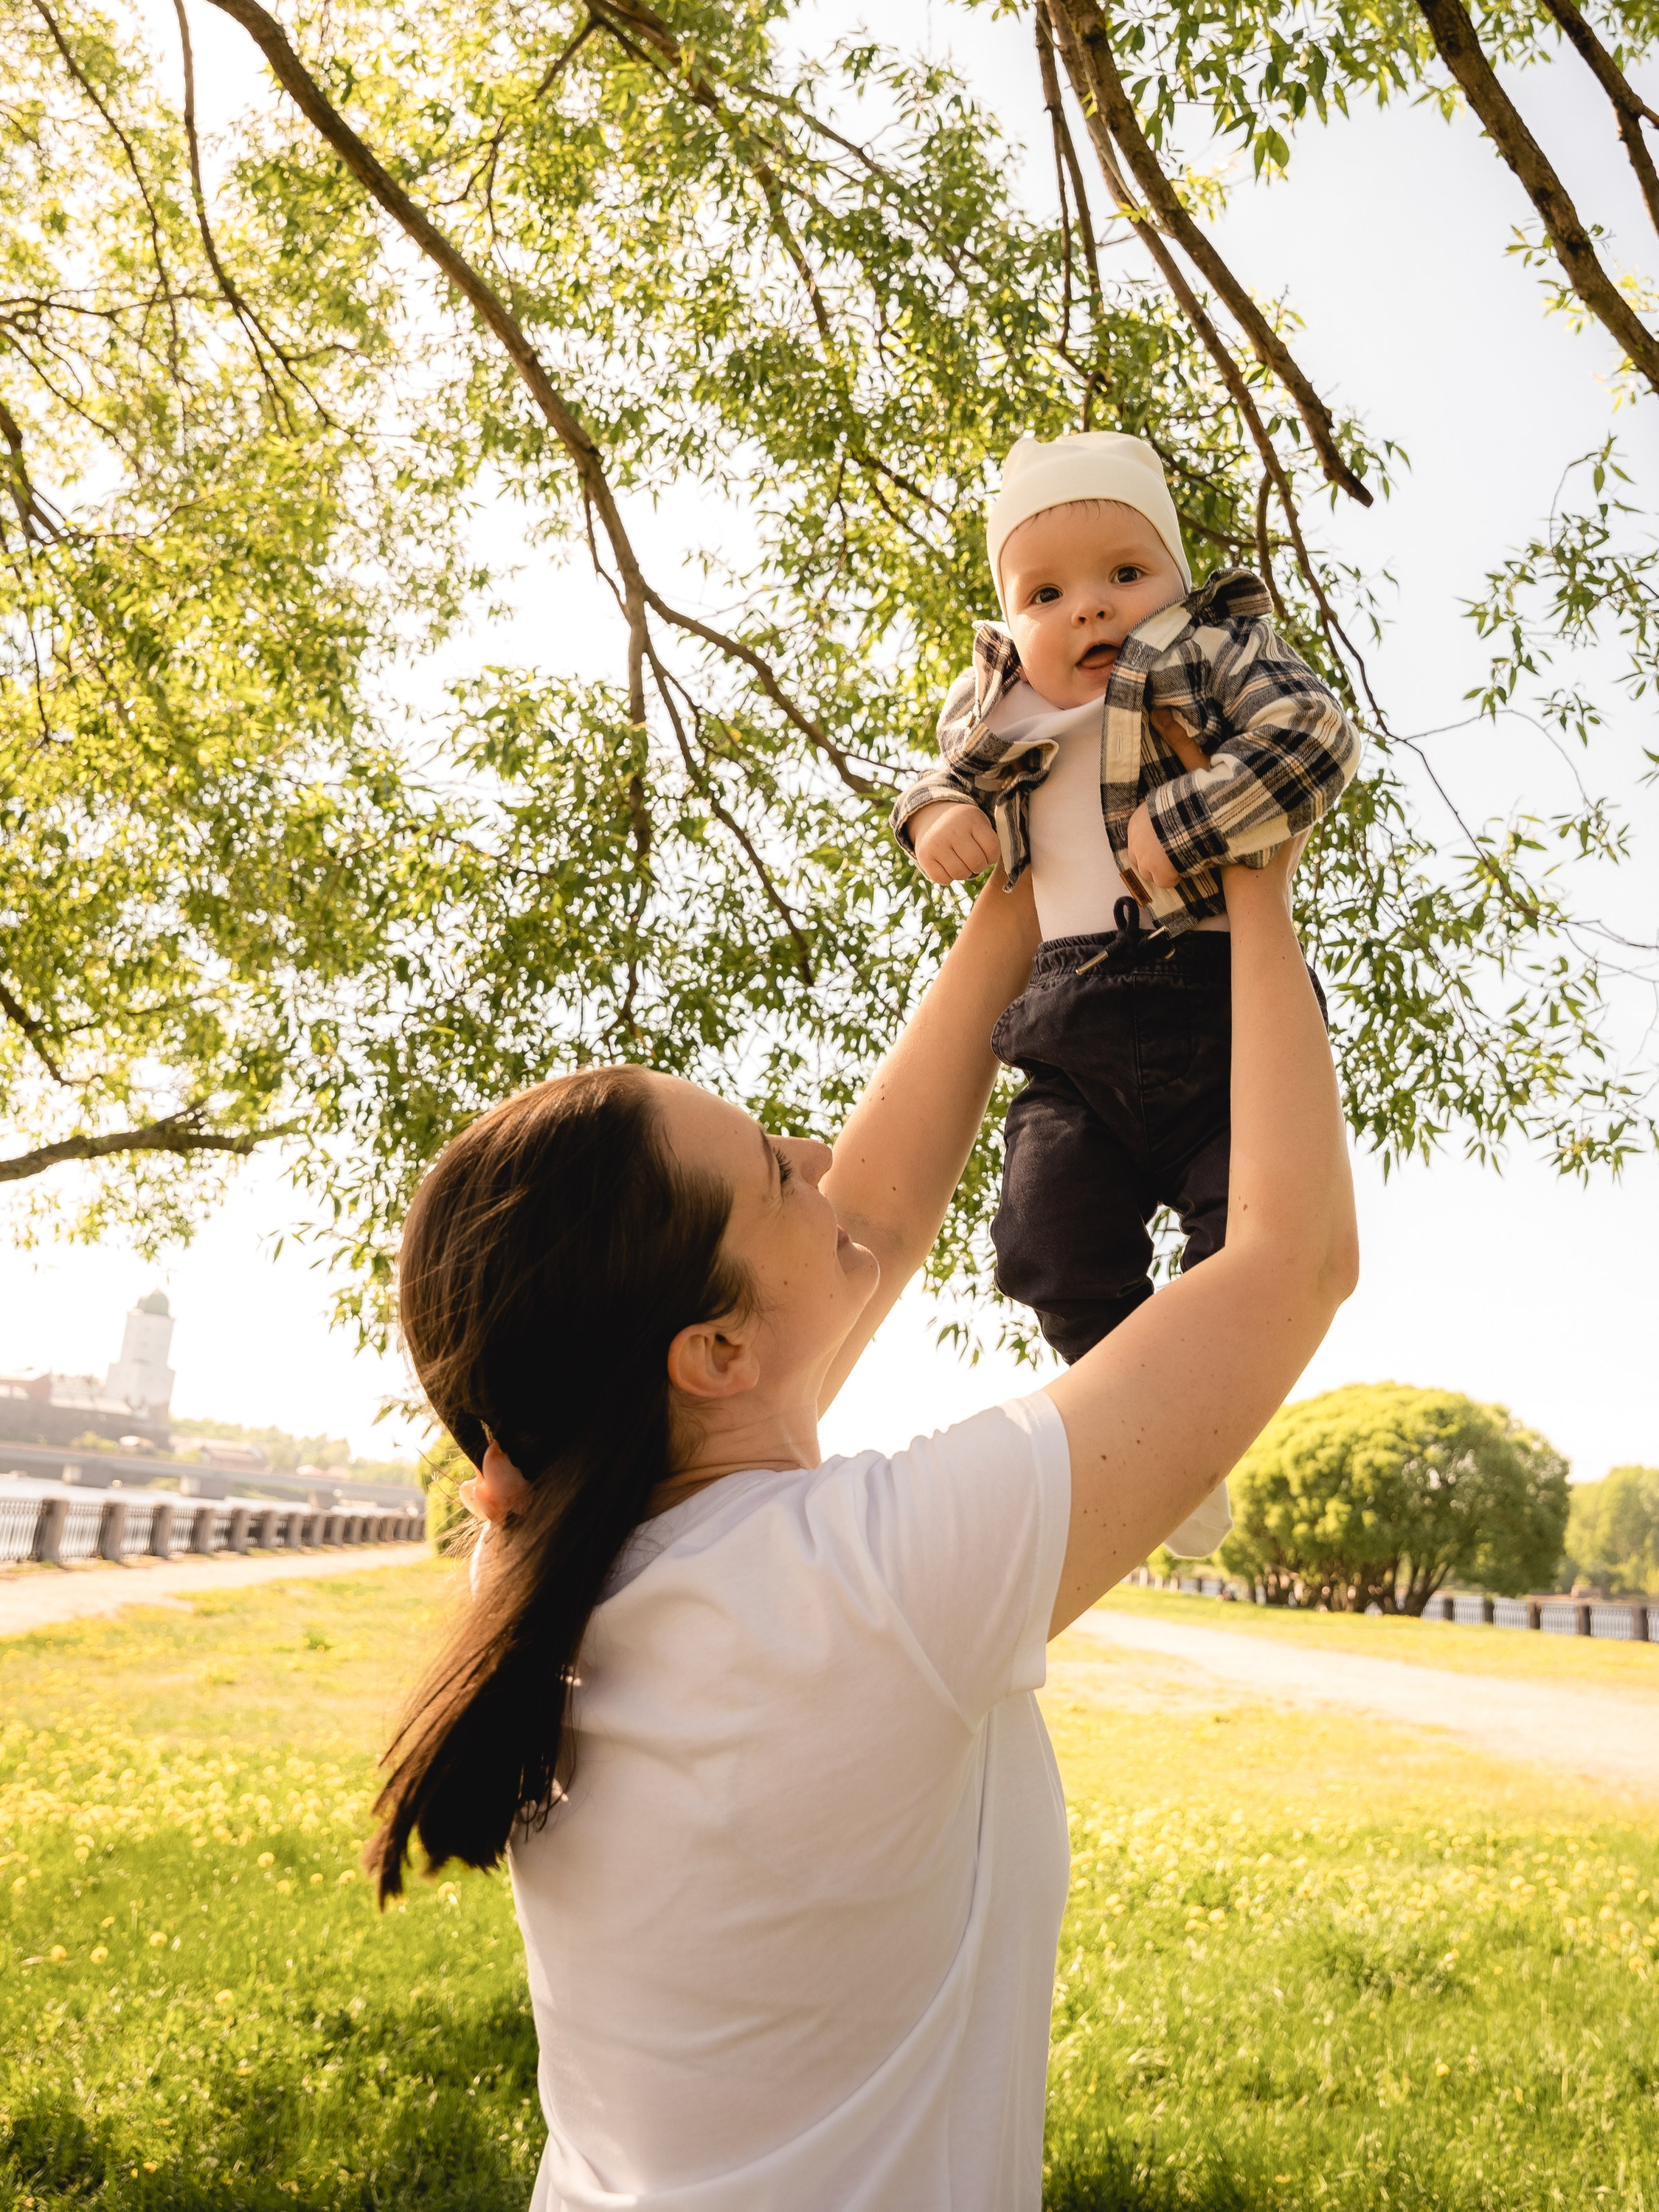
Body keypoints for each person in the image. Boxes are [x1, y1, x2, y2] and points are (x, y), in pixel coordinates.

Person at [371, 829, 1356, 2212]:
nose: (816, 1149)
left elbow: (870, 1224)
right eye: (775, 1170)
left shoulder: (555, 1570)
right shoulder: (872, 1589)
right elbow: (1289, 1260)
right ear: (711, 1353)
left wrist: (1036, 875)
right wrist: (1251, 864)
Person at [895, 429, 1358, 1550]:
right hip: (1070, 1022)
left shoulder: (1218, 649)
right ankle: (1138, 1415)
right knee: (1041, 1235)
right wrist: (941, 823)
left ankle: (1202, 1421)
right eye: (1046, 592)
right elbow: (934, 788)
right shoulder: (996, 705)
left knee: (1238, 1236)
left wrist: (1192, 818)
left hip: (1214, 1006)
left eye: (1125, 574)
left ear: (1180, 582)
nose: (1090, 611)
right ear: (1008, 621)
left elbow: (1317, 737)